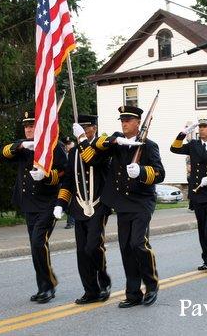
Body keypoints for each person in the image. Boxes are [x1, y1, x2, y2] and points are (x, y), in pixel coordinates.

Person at [84, 106, 165, 308]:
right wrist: (117, 139)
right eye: (122, 120)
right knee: (126, 248)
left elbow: (159, 173)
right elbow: (98, 146)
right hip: (122, 203)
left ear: (138, 123)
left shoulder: (149, 146)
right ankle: (133, 293)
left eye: (128, 120)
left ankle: (152, 285)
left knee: (138, 243)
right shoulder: (118, 144)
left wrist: (142, 171)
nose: (124, 123)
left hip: (141, 202)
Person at [1, 110, 67, 303]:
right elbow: (3, 153)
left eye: (32, 126)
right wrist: (21, 145)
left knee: (39, 242)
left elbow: (65, 171)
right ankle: (43, 287)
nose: (28, 129)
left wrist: (47, 175)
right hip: (29, 204)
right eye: (26, 126)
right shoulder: (23, 146)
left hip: (48, 203)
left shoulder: (53, 146)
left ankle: (49, 284)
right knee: (35, 246)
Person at [53, 115, 112, 304]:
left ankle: (104, 281)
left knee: (93, 246)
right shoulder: (74, 153)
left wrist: (81, 140)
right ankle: (90, 290)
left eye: (85, 128)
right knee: (82, 252)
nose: (82, 131)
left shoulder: (102, 147)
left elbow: (93, 160)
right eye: (80, 128)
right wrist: (60, 204)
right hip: (79, 206)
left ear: (93, 128)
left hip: (98, 205)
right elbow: (68, 180)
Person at [170, 116, 207, 273]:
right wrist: (182, 134)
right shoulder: (193, 145)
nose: (201, 129)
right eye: (200, 126)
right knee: (202, 226)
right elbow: (174, 148)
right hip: (197, 192)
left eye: (204, 126)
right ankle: (206, 259)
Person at [62, 136, 76, 229]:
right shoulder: (63, 154)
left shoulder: (74, 153)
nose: (68, 146)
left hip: (72, 181)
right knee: (65, 203)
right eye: (66, 144)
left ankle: (70, 222)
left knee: (71, 202)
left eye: (69, 143)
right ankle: (72, 218)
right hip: (63, 181)